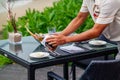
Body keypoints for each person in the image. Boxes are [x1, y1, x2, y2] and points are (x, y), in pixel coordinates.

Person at [46, 0, 120, 52]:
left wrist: (65, 39)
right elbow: (80, 18)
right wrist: (57, 38)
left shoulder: (110, 1)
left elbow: (96, 31)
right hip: (110, 36)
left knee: (115, 69)